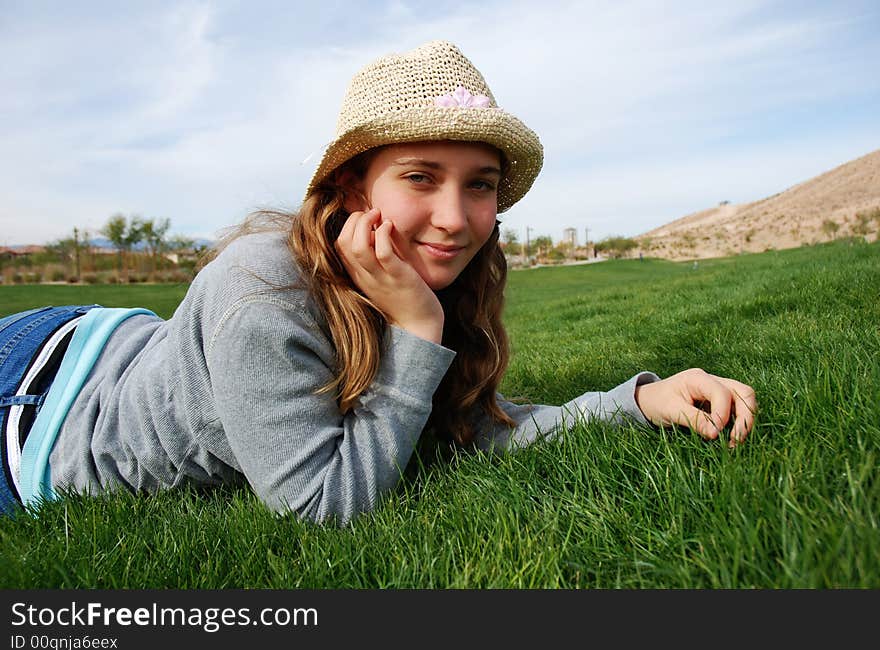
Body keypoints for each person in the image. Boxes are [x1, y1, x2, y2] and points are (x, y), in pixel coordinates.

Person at [0, 40, 756, 525]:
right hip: (38, 406)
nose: (456, 218)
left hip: (114, 340)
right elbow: (323, 506)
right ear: (355, 189)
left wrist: (638, 399)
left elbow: (474, 430)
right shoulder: (262, 291)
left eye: (480, 185)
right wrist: (416, 334)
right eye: (420, 177)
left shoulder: (439, 271)